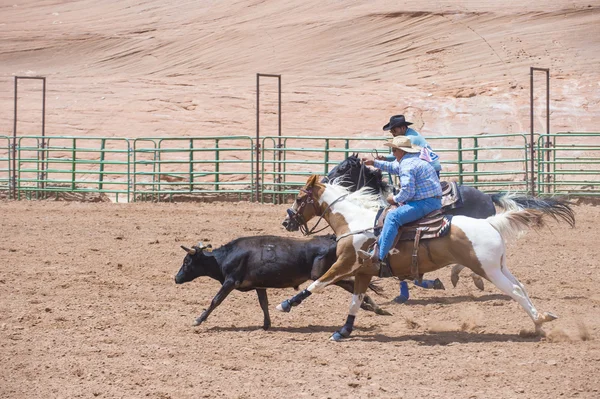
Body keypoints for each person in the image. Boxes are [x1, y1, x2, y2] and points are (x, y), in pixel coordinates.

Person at [358, 136, 443, 299]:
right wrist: (374, 163)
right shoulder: (411, 160)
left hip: (425, 203)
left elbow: (407, 193)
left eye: (394, 150)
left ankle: (379, 257)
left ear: (401, 151)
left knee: (392, 217)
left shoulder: (407, 166)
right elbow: (393, 167)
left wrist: (393, 199)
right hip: (431, 200)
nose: (392, 152)